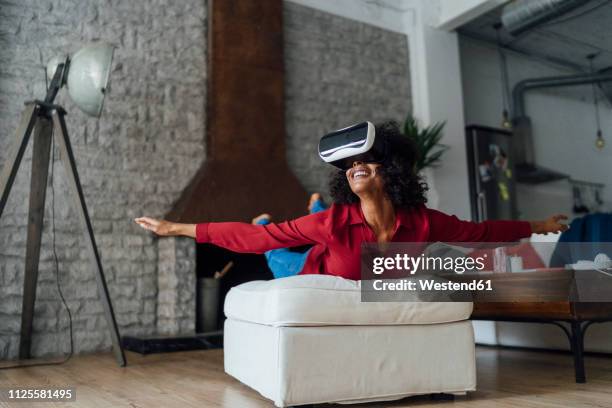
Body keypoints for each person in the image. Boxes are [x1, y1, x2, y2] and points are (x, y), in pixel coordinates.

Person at [135, 121, 568, 280]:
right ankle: (303, 211)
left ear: (390, 171)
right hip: (305, 271)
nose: (355, 166)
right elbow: (253, 239)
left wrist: (538, 225)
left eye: (366, 160)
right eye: (349, 164)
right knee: (277, 251)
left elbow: (479, 232)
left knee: (294, 231)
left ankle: (305, 208)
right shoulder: (334, 224)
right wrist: (177, 228)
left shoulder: (422, 223)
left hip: (342, 257)